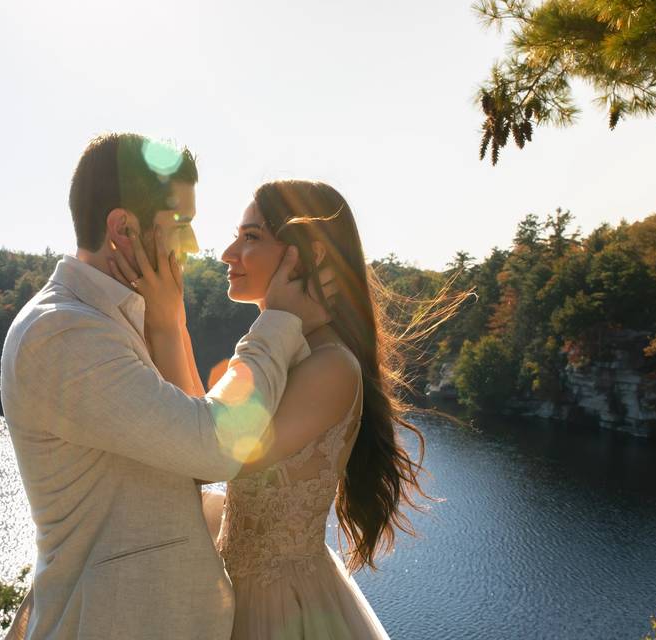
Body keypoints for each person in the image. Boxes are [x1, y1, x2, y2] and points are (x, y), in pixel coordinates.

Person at [0, 135, 331, 639]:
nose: (196, 245)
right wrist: (278, 323)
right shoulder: (64, 333)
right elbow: (215, 447)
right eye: (181, 224)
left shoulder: (113, 319)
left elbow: (182, 469)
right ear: (121, 229)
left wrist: (169, 322)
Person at [111, 179, 455, 639]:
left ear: (305, 255)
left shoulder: (332, 367)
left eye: (251, 237)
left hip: (282, 612)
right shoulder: (288, 348)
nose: (228, 252)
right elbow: (197, 422)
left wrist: (274, 318)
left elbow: (212, 454)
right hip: (232, 588)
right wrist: (171, 325)